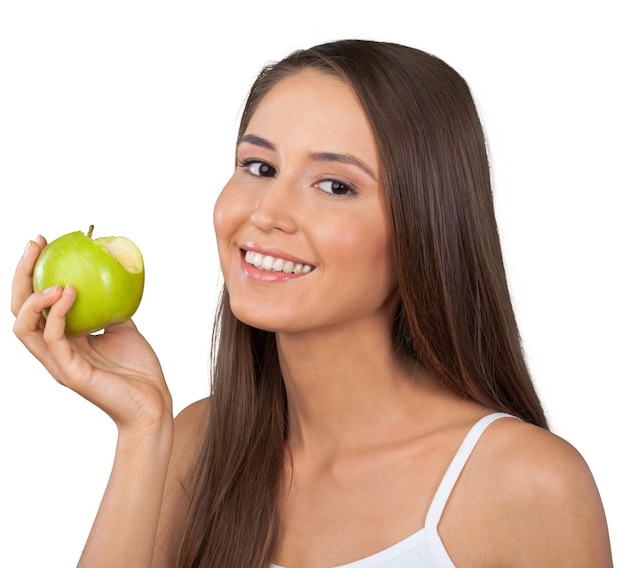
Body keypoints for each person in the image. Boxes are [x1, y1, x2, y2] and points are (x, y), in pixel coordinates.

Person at [12, 39, 612, 568]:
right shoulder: (194, 446)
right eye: (259, 165)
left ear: (424, 229)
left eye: (334, 185)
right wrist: (142, 429)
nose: (267, 212)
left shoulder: (525, 485)